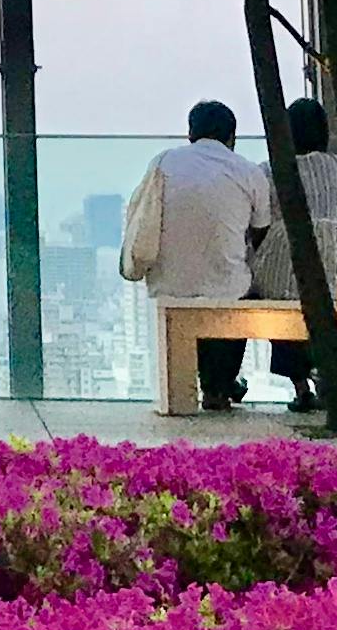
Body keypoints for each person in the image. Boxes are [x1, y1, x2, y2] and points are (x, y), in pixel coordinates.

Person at [119, 100, 277, 413]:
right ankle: (218, 385)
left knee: (197, 288)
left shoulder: (163, 162)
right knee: (236, 287)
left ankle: (209, 384)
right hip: (227, 285)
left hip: (168, 280)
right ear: (232, 136)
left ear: (190, 133)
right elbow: (261, 230)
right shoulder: (248, 171)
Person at [246, 95, 337, 413]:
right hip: (333, 259)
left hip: (283, 254)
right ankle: (325, 373)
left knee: (270, 295)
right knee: (317, 304)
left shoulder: (271, 171)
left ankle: (301, 385)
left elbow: (258, 223)